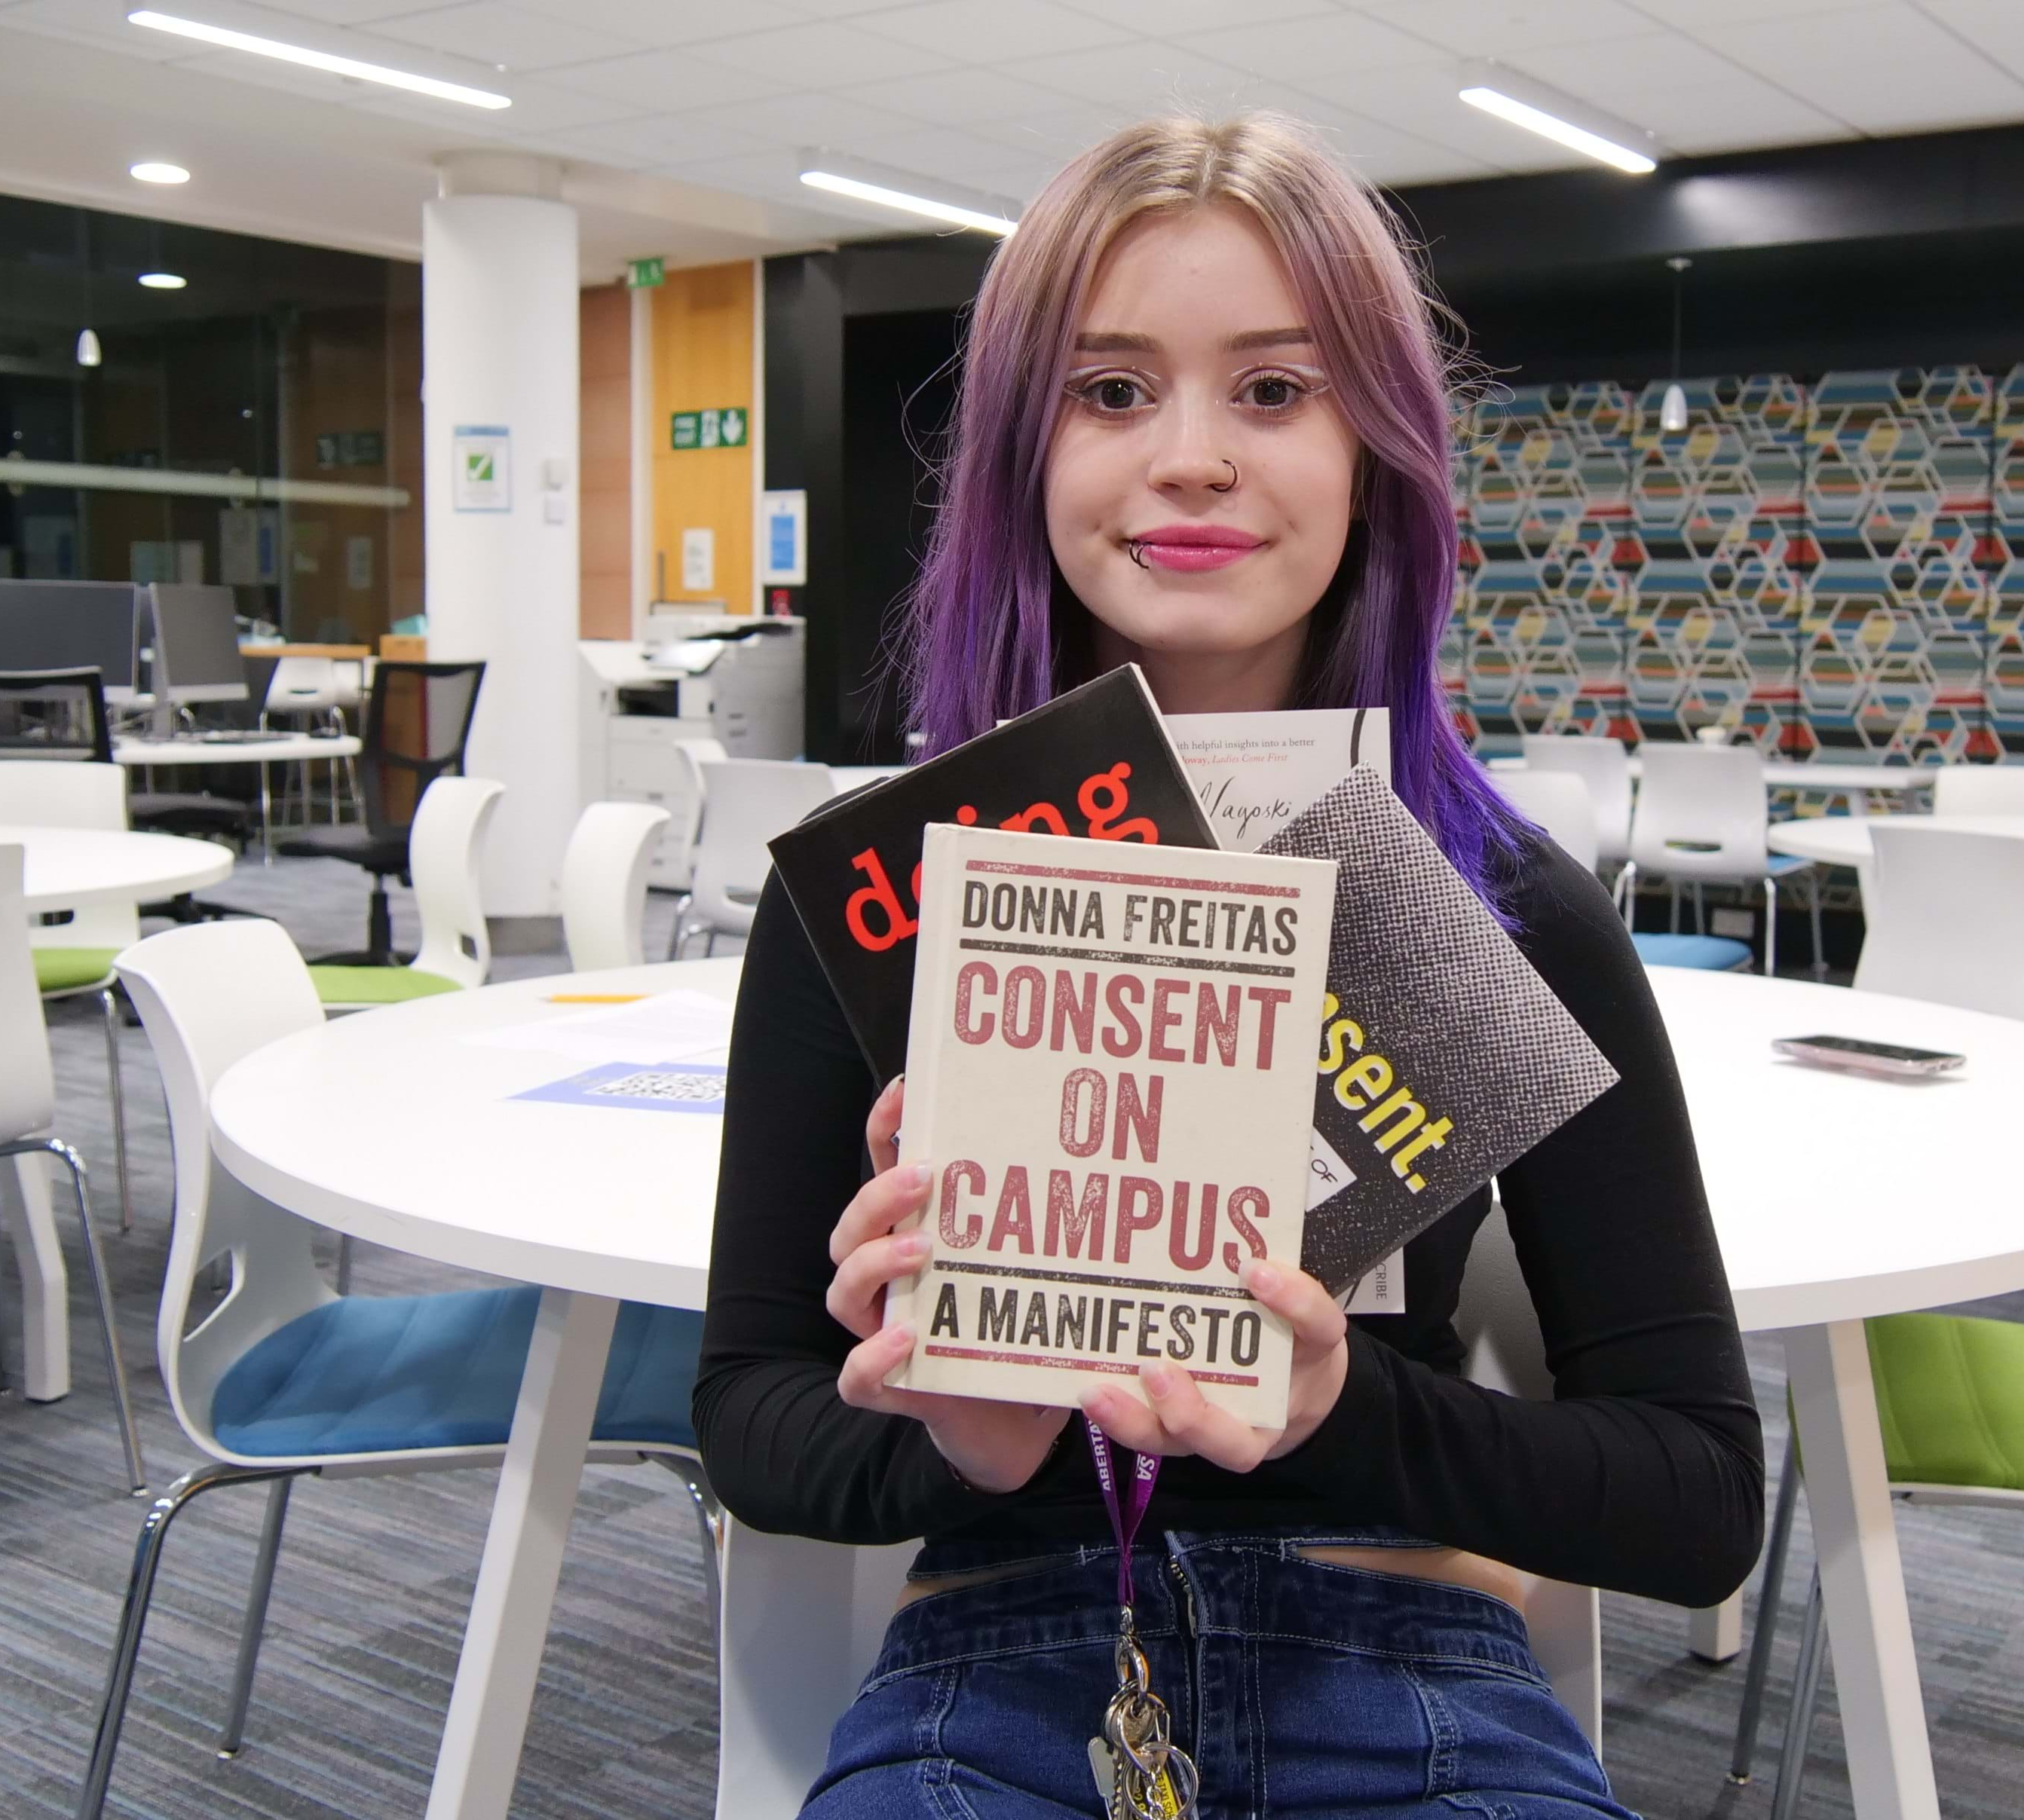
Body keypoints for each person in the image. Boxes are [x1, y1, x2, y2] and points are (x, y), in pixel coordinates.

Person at [695, 112, 1763, 1818]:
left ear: (1377, 452)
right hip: (1003, 1655)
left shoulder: (1492, 905)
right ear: (1020, 457)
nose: (1189, 456)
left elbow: (1700, 1492)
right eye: (1110, 392)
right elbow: (745, 1413)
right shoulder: (890, 892)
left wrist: (1340, 1410)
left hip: (1406, 1659)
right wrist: (951, 1439)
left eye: (1274, 391)